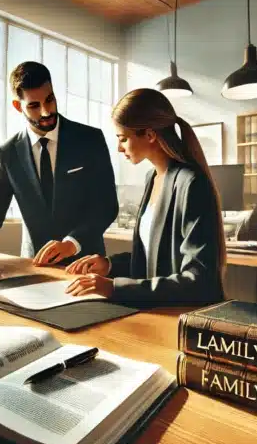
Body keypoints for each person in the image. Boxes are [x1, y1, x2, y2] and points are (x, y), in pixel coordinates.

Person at [0, 61, 118, 270]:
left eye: (50, 100)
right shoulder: (8, 152)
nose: (46, 111)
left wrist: (72, 243)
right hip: (34, 266)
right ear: (17, 106)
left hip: (86, 264)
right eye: (34, 105)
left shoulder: (90, 139)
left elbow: (106, 205)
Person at [64, 88, 226, 305]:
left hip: (181, 314)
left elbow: (198, 280)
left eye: (122, 138)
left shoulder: (191, 183)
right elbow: (154, 259)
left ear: (150, 135)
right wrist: (109, 265)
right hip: (156, 310)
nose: (119, 148)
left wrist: (114, 287)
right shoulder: (153, 177)